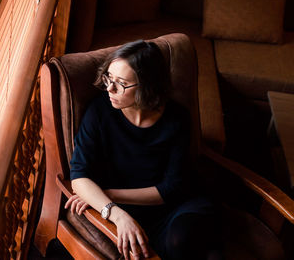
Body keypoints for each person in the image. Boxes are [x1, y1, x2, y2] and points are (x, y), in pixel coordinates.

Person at [64, 40, 222, 260]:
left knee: (183, 239)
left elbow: (170, 189)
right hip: (131, 210)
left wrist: (105, 195)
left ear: (147, 86)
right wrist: (116, 214)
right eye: (109, 77)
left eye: (121, 83)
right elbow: (79, 177)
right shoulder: (99, 112)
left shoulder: (177, 118)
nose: (109, 88)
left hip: (177, 206)